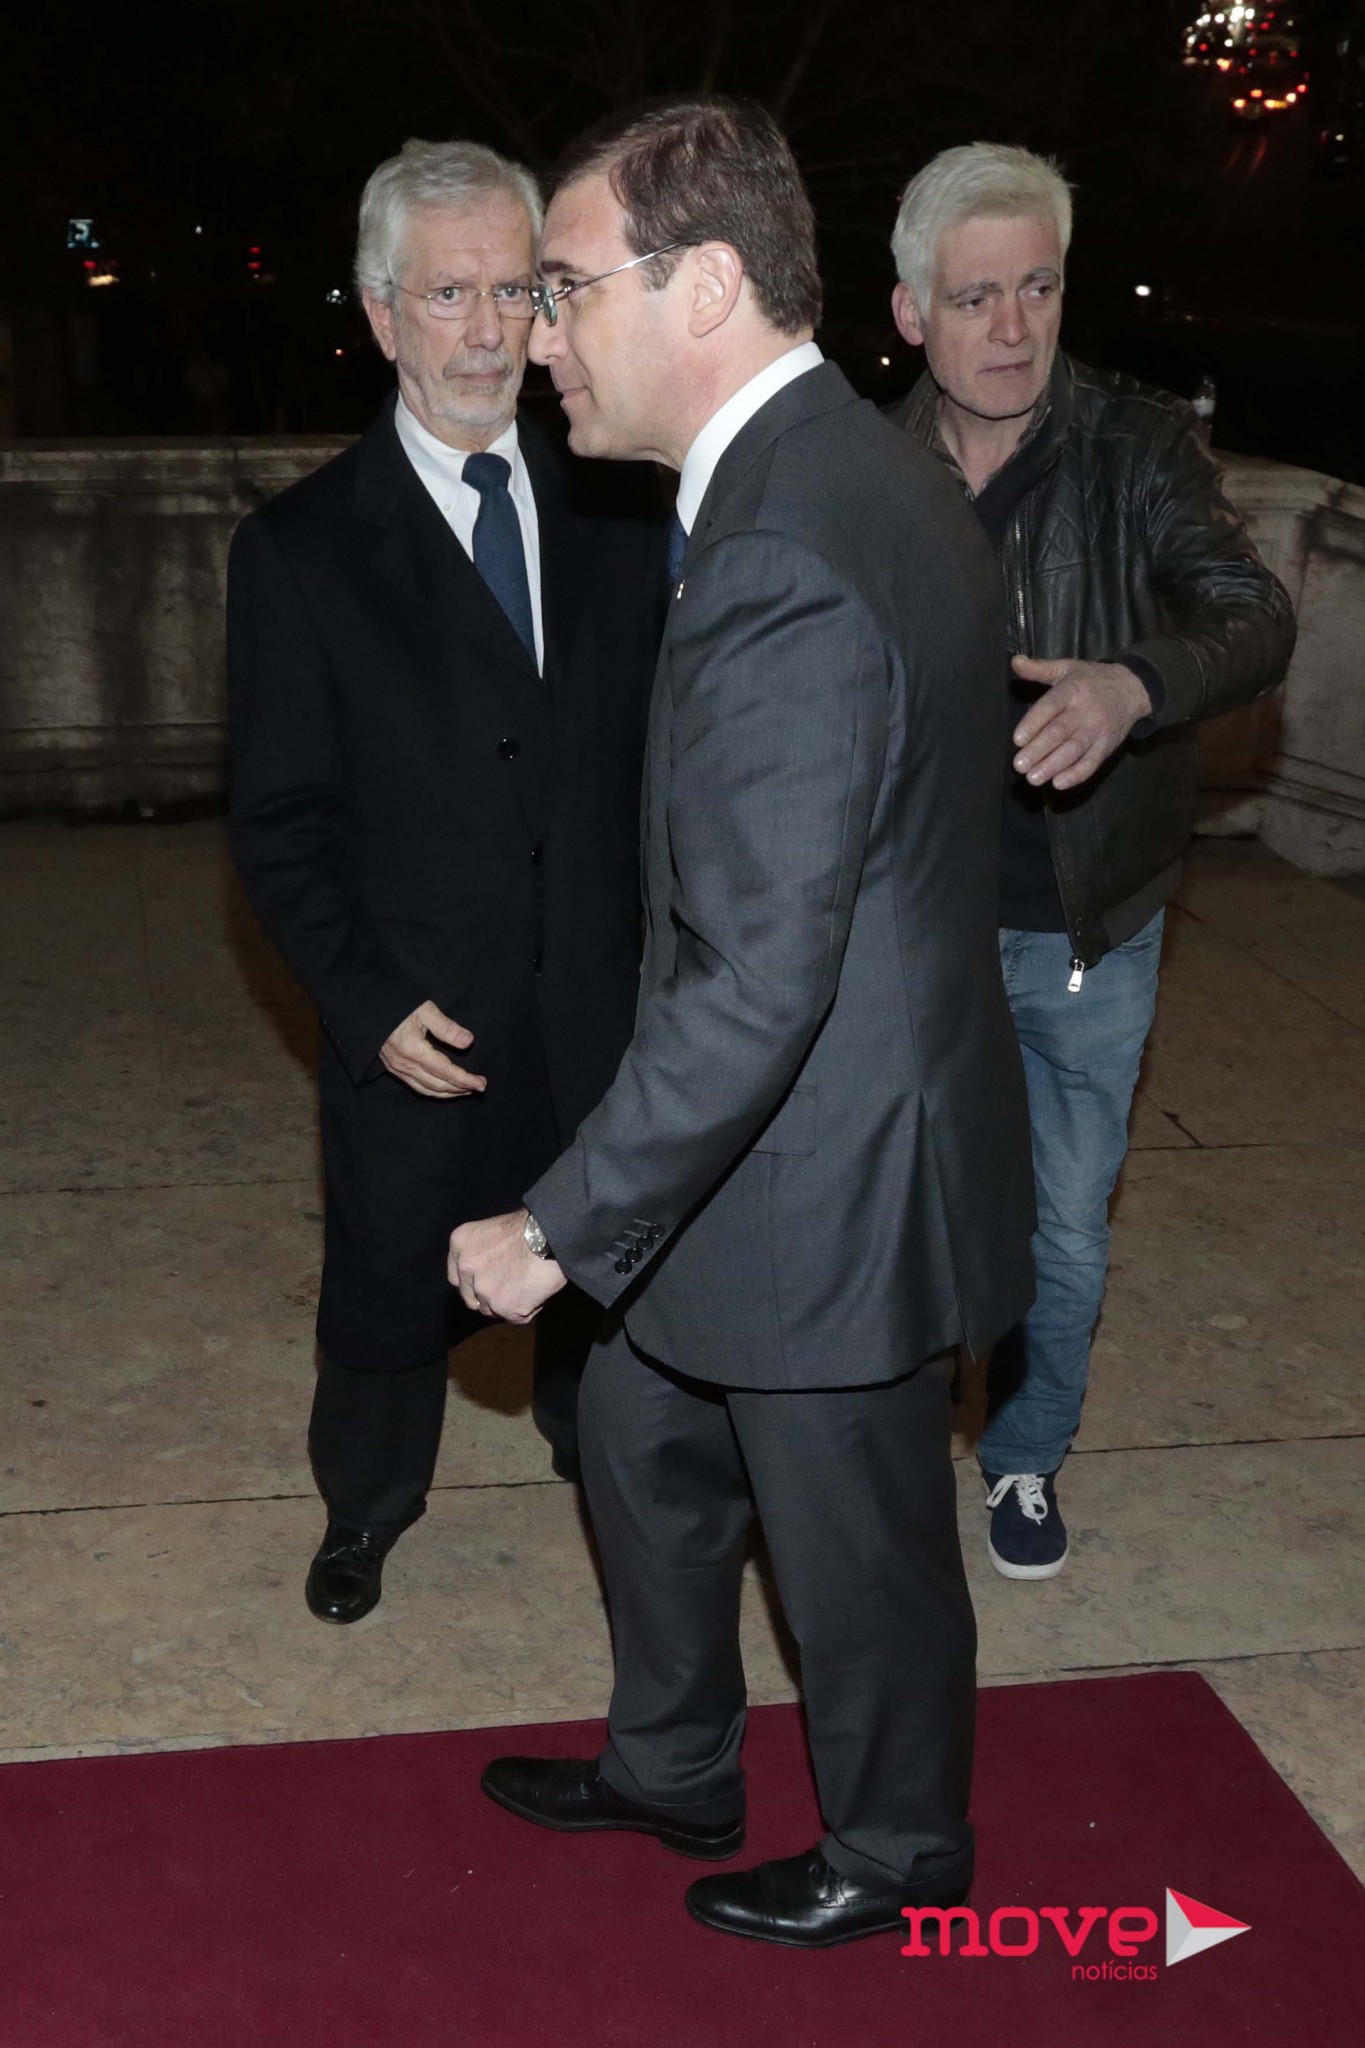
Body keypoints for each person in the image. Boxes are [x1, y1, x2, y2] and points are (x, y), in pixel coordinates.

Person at [449, 96, 1035, 1949]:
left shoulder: (789, 537)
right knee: (641, 1434)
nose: (537, 335)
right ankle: (674, 1764)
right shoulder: (852, 465)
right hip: (787, 1141)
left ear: (699, 286)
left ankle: (898, 1853)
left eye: (562, 288)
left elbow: (764, 968)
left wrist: (556, 1223)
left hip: (827, 1174)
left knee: (854, 1549)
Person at [227, 139, 665, 1625]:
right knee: (386, 1288)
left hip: (602, 1003)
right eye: (449, 294)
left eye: (516, 290)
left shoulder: (621, 501)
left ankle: (596, 1450)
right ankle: (366, 1503)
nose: (487, 330)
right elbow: (280, 823)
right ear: (379, 313)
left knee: (605, 1262)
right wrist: (364, 1001)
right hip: (422, 1019)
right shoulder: (299, 551)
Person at [886, 143, 1296, 1580]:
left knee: (1062, 1220)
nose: (1014, 330)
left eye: (1040, 290)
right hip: (909, 926)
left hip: (1083, 927)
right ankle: (886, 1454)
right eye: (975, 298)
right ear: (910, 312)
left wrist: (1134, 682)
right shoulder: (858, 464)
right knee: (898, 1208)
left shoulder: (1137, 448)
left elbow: (1252, 614)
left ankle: (1023, 1456)